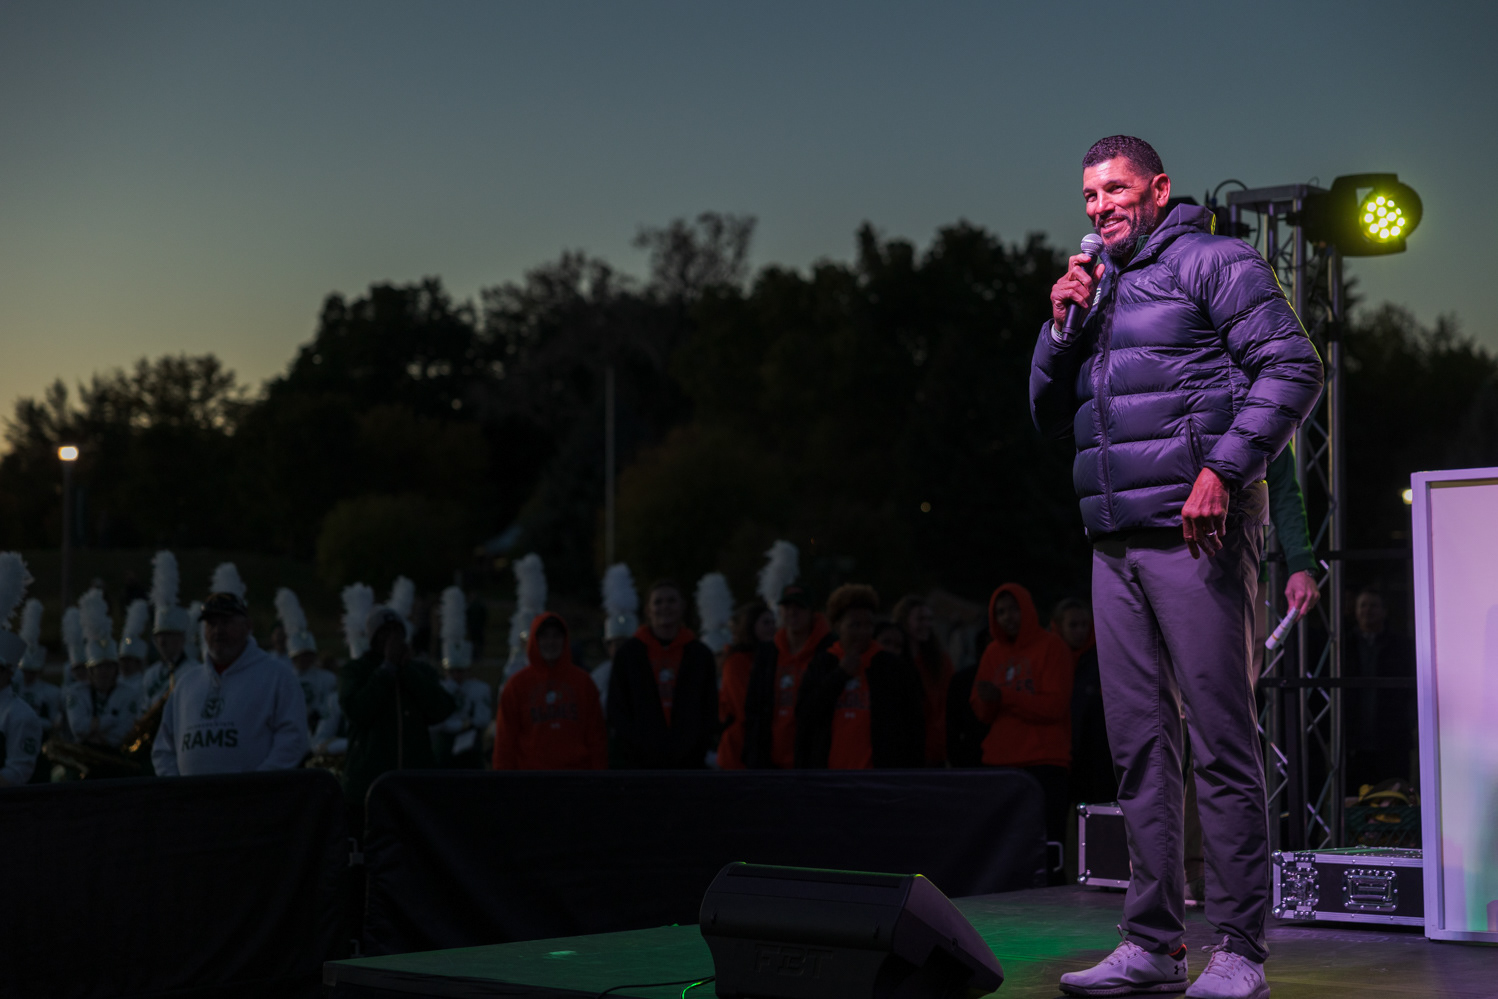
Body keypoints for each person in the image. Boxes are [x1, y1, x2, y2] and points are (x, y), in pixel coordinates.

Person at [1034, 136, 1322, 999]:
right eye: (1088, 193)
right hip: (1114, 541)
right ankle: (1153, 944)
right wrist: (1060, 323)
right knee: (1139, 752)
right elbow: (1045, 409)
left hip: (1198, 533)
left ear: (1158, 188)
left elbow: (1294, 365)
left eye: (1114, 187)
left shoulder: (1215, 261)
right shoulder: (1096, 287)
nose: (1098, 205)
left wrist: (1223, 469)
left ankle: (1239, 948)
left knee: (1222, 744)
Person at [970, 584, 1075, 883]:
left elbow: (1054, 706)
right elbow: (981, 710)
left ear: (1027, 609)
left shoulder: (1053, 647)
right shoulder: (992, 651)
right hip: (1000, 763)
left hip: (1044, 762)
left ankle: (1052, 899)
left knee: (1046, 842)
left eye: (1012, 609)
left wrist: (1004, 697)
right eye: (1000, 612)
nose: (1007, 617)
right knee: (1004, 844)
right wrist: (988, 699)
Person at [152, 591, 309, 776]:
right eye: (211, 623)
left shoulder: (277, 677)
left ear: (248, 626)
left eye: (226, 622)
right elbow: (163, 748)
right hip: (193, 802)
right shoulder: (186, 683)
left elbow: (293, 738)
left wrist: (260, 785)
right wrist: (178, 790)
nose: (218, 630)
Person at [794, 584, 924, 769]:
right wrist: (840, 675)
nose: (864, 632)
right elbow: (805, 716)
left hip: (878, 780)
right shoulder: (823, 664)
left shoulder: (891, 667)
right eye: (855, 625)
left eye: (869, 625)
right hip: (828, 779)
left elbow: (913, 726)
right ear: (838, 625)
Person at [340, 604, 455, 810]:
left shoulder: (420, 671)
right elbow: (357, 711)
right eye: (385, 633)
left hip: (415, 783)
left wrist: (406, 671)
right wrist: (386, 670)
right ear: (373, 639)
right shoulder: (356, 671)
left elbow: (441, 709)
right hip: (369, 785)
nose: (392, 639)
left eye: (397, 632)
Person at [606, 579, 718, 768]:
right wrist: (638, 746)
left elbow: (709, 708)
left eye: (671, 600)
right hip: (640, 764)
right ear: (648, 610)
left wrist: (695, 746)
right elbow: (618, 709)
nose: (665, 606)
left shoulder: (700, 655)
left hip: (689, 762)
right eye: (658, 602)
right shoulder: (628, 655)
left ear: (682, 606)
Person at [493, 612, 607, 770]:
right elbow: (505, 740)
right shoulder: (516, 685)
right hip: (532, 780)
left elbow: (596, 737)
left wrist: (599, 777)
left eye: (556, 636)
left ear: (565, 640)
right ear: (535, 640)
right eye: (544, 636)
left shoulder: (583, 682)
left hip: (577, 777)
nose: (551, 642)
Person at [739, 584, 834, 769]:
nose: (792, 612)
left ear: (811, 611)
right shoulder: (768, 653)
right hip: (770, 761)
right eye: (787, 606)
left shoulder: (828, 652)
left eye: (799, 606)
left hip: (812, 761)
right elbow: (753, 707)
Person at [1344, 587, 1416, 792]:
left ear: (1385, 611)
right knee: (1356, 806)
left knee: (1393, 804)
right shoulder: (1342, 646)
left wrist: (1408, 721)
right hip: (1354, 745)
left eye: (1373, 605)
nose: (1368, 610)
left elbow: (1411, 693)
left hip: (1392, 743)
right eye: (1363, 605)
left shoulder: (1403, 647)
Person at [67, 588, 143, 752]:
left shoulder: (129, 694)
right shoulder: (76, 692)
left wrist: (94, 728)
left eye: (109, 667)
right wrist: (109, 720)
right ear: (90, 672)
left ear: (116, 670)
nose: (104, 672)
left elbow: (124, 732)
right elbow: (77, 727)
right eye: (99, 668)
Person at [433, 585, 493, 768]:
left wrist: (464, 724)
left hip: (470, 750)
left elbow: (483, 718)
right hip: (444, 749)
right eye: (453, 671)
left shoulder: (479, 689)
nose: (457, 676)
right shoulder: (440, 689)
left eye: (461, 671)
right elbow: (434, 722)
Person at [891, 595, 955, 767]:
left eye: (929, 619)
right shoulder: (893, 662)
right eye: (920, 619)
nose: (926, 624)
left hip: (934, 750)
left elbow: (948, 704)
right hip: (901, 748)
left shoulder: (940, 662)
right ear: (904, 621)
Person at [717, 601, 775, 770]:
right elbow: (743, 707)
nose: (772, 627)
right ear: (751, 625)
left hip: (762, 746)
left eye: (773, 623)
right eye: (766, 622)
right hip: (739, 749)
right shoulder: (737, 661)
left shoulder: (771, 657)